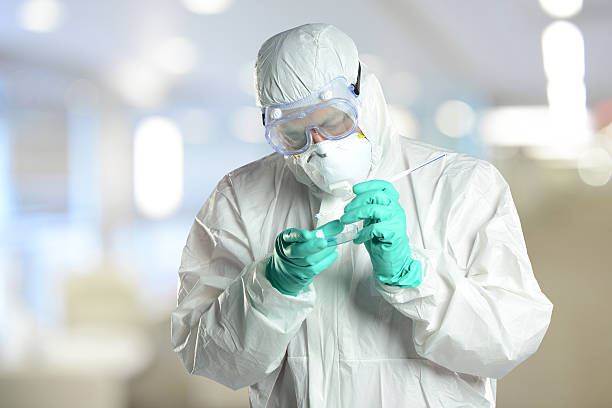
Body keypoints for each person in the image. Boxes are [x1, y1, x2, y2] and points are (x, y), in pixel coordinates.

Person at [171, 23, 553, 407]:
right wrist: (270, 288)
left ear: (364, 96)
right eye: (293, 133)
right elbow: (208, 357)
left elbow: (510, 341)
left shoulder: (461, 185)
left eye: (334, 121)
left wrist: (414, 278)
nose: (318, 146)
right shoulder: (241, 197)